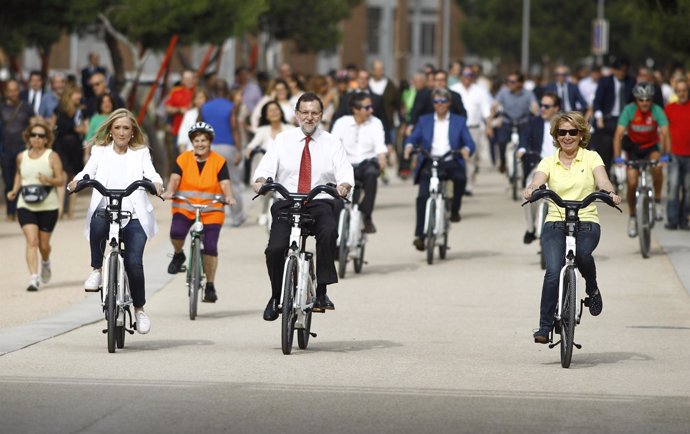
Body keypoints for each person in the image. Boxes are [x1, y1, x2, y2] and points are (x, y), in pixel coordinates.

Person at [252, 92, 354, 321]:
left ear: (321, 115)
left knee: (328, 232)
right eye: (305, 113)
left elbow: (345, 171)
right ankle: (276, 295)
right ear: (296, 114)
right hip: (287, 201)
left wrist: (344, 185)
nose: (309, 117)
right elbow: (264, 170)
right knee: (275, 249)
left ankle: (322, 291)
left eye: (314, 113)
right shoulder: (282, 140)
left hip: (319, 201)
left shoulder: (332, 141)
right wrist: (260, 182)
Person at [523, 111, 621, 344]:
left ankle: (592, 289)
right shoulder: (549, 161)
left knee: (583, 254)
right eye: (562, 132)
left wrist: (609, 191)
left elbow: (603, 179)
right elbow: (538, 179)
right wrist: (532, 188)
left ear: (581, 134)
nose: (567, 137)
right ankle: (545, 327)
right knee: (553, 271)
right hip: (555, 220)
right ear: (556, 135)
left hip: (586, 220)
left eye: (572, 132)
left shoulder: (592, 157)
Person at [69, 109, 164, 335]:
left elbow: (152, 174)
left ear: (133, 132)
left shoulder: (140, 153)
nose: (122, 132)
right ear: (110, 130)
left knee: (133, 262)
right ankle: (97, 269)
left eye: (126, 128)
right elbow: (86, 172)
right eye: (118, 128)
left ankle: (139, 310)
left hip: (134, 215)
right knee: (98, 222)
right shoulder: (99, 151)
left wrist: (157, 184)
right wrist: (75, 183)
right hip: (107, 211)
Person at [164, 122, 236, 302]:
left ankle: (210, 286)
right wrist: (170, 191)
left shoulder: (219, 161)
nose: (200, 144)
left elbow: (225, 183)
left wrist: (229, 197)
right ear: (192, 142)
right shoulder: (183, 159)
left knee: (210, 246)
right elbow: (174, 178)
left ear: (210, 141)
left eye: (204, 140)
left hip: (211, 210)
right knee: (176, 232)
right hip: (185, 207)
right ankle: (179, 254)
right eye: (196, 140)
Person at [403, 88, 475, 251]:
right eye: (436, 101)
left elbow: (469, 142)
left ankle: (455, 210)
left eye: (443, 101)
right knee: (422, 196)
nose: (440, 105)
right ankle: (420, 235)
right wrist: (408, 146)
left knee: (460, 179)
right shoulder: (424, 120)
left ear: (449, 103)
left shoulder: (459, 121)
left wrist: (466, 150)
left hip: (450, 159)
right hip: (429, 161)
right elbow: (413, 138)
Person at [6, 120, 65, 291]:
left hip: (48, 205)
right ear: (29, 138)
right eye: (34, 135)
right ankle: (33, 278)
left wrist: (48, 180)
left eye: (41, 135)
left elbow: (61, 180)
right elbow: (19, 175)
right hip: (25, 204)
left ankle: (45, 261)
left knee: (43, 246)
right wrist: (14, 191)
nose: (37, 138)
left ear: (47, 139)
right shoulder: (21, 156)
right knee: (31, 241)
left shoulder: (52, 156)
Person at [613, 82, 670, 237]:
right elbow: (618, 134)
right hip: (634, 149)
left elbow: (665, 133)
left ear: (652, 100)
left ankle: (657, 202)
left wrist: (665, 154)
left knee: (657, 166)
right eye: (641, 99)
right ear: (636, 100)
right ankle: (632, 216)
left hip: (651, 147)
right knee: (632, 182)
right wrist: (617, 157)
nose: (644, 103)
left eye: (647, 99)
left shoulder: (657, 110)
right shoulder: (629, 110)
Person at [331, 92, 387, 233]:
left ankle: (367, 216)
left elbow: (380, 145)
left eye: (371, 107)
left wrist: (382, 157)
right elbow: (332, 145)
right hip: (345, 166)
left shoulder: (376, 122)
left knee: (372, 174)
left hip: (366, 164)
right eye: (367, 107)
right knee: (336, 200)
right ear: (355, 109)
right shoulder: (342, 122)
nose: (371, 110)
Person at [201, 79, 245, 227]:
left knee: (211, 183)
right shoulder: (231, 107)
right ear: (227, 91)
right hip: (228, 147)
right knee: (233, 183)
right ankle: (237, 217)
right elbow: (234, 128)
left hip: (210, 148)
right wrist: (239, 150)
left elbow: (199, 126)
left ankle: (211, 215)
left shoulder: (205, 107)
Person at [518, 93, 562, 244]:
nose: (542, 108)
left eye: (547, 106)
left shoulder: (565, 125)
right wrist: (522, 149)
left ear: (556, 108)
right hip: (538, 166)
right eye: (541, 105)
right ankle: (531, 229)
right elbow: (524, 139)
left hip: (562, 167)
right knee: (528, 193)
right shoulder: (532, 122)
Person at [244, 100, 295, 225]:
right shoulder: (263, 130)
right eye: (270, 111)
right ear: (266, 115)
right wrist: (250, 150)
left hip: (286, 168)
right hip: (269, 170)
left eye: (276, 109)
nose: (274, 113)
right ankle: (263, 212)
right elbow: (252, 145)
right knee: (266, 186)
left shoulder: (290, 129)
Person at [450, 66, 493, 195]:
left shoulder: (480, 91)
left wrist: (489, 127)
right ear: (461, 77)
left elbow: (486, 112)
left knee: (470, 157)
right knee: (454, 156)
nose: (467, 79)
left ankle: (468, 185)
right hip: (456, 128)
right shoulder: (454, 89)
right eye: (465, 76)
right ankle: (456, 183)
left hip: (473, 128)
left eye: (470, 76)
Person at [486, 72, 538, 173]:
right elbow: (494, 106)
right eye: (508, 81)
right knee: (501, 142)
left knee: (524, 146)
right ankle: (503, 162)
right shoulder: (503, 92)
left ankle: (524, 169)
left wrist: (537, 117)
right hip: (507, 121)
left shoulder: (528, 93)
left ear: (520, 83)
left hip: (523, 122)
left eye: (512, 81)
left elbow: (534, 106)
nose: (509, 84)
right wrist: (490, 123)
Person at [592, 58, 636, 175]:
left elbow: (633, 101)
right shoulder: (605, 81)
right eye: (619, 70)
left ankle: (629, 172)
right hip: (608, 119)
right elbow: (597, 101)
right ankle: (605, 175)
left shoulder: (631, 81)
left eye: (624, 71)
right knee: (605, 144)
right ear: (613, 70)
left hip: (624, 119)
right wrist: (599, 117)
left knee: (630, 142)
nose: (621, 73)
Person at [1, 79, 35, 221]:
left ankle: (21, 210)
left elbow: (34, 125)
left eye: (16, 90)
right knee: (8, 181)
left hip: (22, 150)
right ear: (5, 92)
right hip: (5, 150)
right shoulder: (1, 108)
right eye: (11, 90)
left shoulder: (26, 107)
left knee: (22, 180)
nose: (14, 93)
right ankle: (10, 211)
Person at [52, 85, 87, 219]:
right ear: (69, 95)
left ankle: (70, 211)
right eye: (76, 93)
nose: (79, 96)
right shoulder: (59, 110)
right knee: (62, 176)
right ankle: (60, 210)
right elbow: (53, 126)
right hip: (61, 146)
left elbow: (85, 128)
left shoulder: (81, 111)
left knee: (75, 178)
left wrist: (81, 129)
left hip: (75, 147)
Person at [664, 79, 690, 230]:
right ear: (676, 92)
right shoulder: (669, 108)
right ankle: (673, 220)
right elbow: (663, 132)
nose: (682, 94)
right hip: (674, 153)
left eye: (684, 91)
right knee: (673, 186)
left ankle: (684, 219)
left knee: (688, 189)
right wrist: (664, 152)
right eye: (679, 91)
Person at [164, 70, 197, 144]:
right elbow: (167, 108)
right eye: (187, 79)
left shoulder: (198, 91)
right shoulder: (175, 92)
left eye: (191, 79)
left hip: (196, 131)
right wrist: (179, 110)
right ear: (182, 81)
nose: (190, 81)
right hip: (178, 130)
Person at [176, 88, 209, 154]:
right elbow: (183, 133)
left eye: (201, 98)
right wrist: (183, 152)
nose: (199, 101)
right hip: (192, 152)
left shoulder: (211, 113)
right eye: (196, 98)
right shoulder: (189, 114)